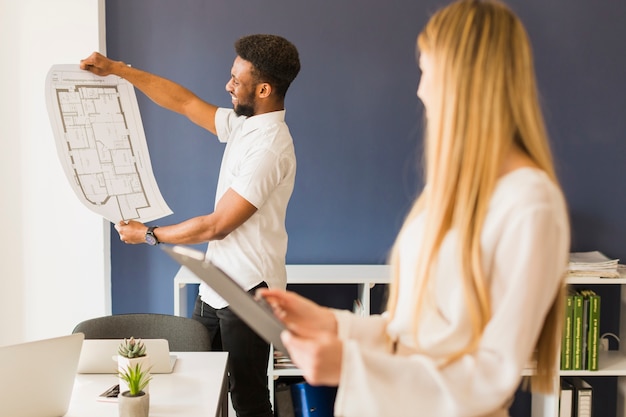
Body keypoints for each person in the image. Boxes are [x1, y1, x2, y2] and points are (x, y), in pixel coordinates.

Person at [258, 1, 570, 416]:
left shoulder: (530, 205)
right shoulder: (449, 193)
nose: (421, 90)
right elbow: (412, 335)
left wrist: (351, 364)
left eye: (426, 70)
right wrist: (332, 324)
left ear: (463, 79)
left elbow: (489, 378)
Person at [80, 34, 301, 417]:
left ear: (263, 89)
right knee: (198, 381)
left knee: (246, 397)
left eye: (237, 79)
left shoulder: (270, 147)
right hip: (217, 284)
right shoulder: (244, 125)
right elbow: (183, 102)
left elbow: (217, 225)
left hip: (248, 291)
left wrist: (150, 234)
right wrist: (117, 70)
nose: (227, 85)